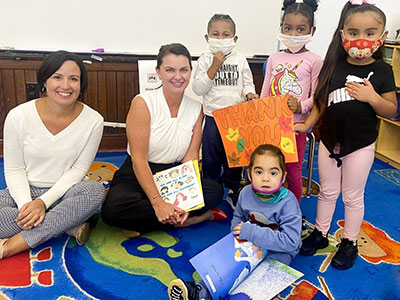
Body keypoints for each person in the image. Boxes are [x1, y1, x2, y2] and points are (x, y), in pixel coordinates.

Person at [296, 0, 397, 270]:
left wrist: (371, 97)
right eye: (353, 33)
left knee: (352, 196)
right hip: (330, 142)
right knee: (327, 191)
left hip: (360, 145)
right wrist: (307, 125)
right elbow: (319, 102)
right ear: (343, 35)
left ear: (382, 36)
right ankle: (320, 232)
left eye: (369, 33)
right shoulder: (333, 66)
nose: (361, 39)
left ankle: (350, 241)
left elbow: (391, 109)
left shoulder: (384, 71)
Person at [101, 43, 224, 236]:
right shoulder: (143, 103)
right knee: (112, 210)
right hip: (139, 170)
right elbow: (138, 160)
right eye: (170, 70)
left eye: (184, 70)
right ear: (158, 72)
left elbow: (190, 158)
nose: (178, 76)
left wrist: (185, 199)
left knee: (215, 191)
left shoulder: (196, 108)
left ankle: (154, 220)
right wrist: (157, 201)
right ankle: (193, 219)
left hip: (175, 174)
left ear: (191, 72)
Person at [0, 50, 105, 260]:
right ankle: (68, 225)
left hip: (67, 192)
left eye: (73, 79)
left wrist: (43, 204)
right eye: (57, 77)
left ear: (81, 85)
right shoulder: (18, 116)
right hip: (21, 193)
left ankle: (11, 246)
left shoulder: (94, 121)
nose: (65, 86)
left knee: (95, 192)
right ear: (44, 82)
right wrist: (26, 207)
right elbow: (13, 169)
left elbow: (78, 170)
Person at [168, 144, 302, 300]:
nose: (265, 178)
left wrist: (251, 232)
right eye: (259, 172)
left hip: (278, 251)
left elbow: (291, 242)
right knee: (225, 267)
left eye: (273, 172)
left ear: (283, 177)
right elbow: (238, 217)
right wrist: (237, 231)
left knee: (258, 282)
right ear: (249, 175)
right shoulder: (245, 193)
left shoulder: (288, 202)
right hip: (250, 243)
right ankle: (199, 291)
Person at [193, 14, 259, 208]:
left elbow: (248, 83)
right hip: (213, 117)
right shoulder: (205, 60)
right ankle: (211, 189)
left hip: (236, 118)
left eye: (226, 34)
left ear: (234, 39)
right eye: (216, 34)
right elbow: (198, 89)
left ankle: (232, 187)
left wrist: (250, 94)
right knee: (211, 156)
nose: (220, 38)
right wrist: (214, 66)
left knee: (236, 157)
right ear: (207, 38)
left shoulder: (240, 60)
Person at [260, 0, 323, 204]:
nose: (293, 34)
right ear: (281, 28)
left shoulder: (314, 60)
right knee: (268, 165)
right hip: (272, 125)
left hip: (296, 127)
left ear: (311, 31)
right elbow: (265, 93)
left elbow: (317, 96)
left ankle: (293, 208)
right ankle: (268, 203)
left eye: (300, 29)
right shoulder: (274, 58)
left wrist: (302, 106)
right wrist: (260, 117)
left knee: (293, 170)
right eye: (288, 28)